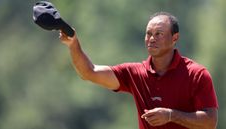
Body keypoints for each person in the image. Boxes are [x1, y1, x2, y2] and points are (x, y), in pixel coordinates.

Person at [59, 12, 218, 129]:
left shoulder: (196, 74)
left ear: (175, 38)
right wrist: (73, 45)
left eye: (159, 34)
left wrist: (171, 115)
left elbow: (211, 122)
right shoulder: (134, 72)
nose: (152, 39)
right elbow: (89, 72)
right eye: (148, 34)